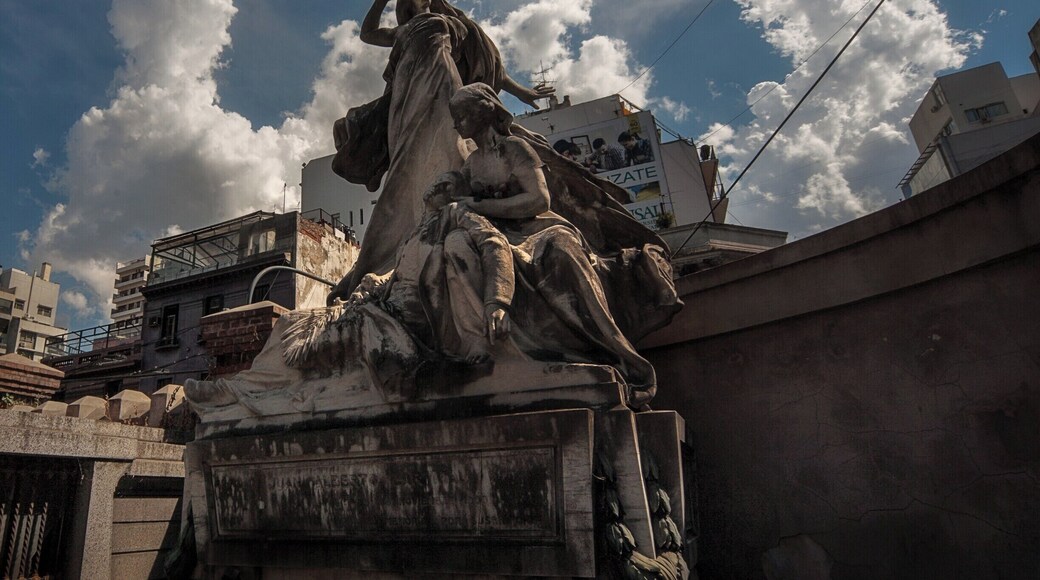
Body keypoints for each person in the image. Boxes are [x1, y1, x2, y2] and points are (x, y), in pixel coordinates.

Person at [448, 83, 681, 405]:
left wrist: (481, 205)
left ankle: (606, 345)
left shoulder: (515, 148)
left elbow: (538, 199)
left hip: (538, 227)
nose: (456, 124)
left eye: (461, 115)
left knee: (562, 251)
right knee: (457, 247)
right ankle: (488, 342)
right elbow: (459, 200)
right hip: (498, 233)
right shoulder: (472, 163)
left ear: (482, 111)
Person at [328, 0, 554, 301]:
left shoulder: (447, 21)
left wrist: (522, 91)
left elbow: (487, 61)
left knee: (450, 147)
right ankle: (402, 243)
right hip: (404, 96)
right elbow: (367, 33)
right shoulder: (401, 31)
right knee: (405, 163)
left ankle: (449, 221)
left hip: (442, 83)